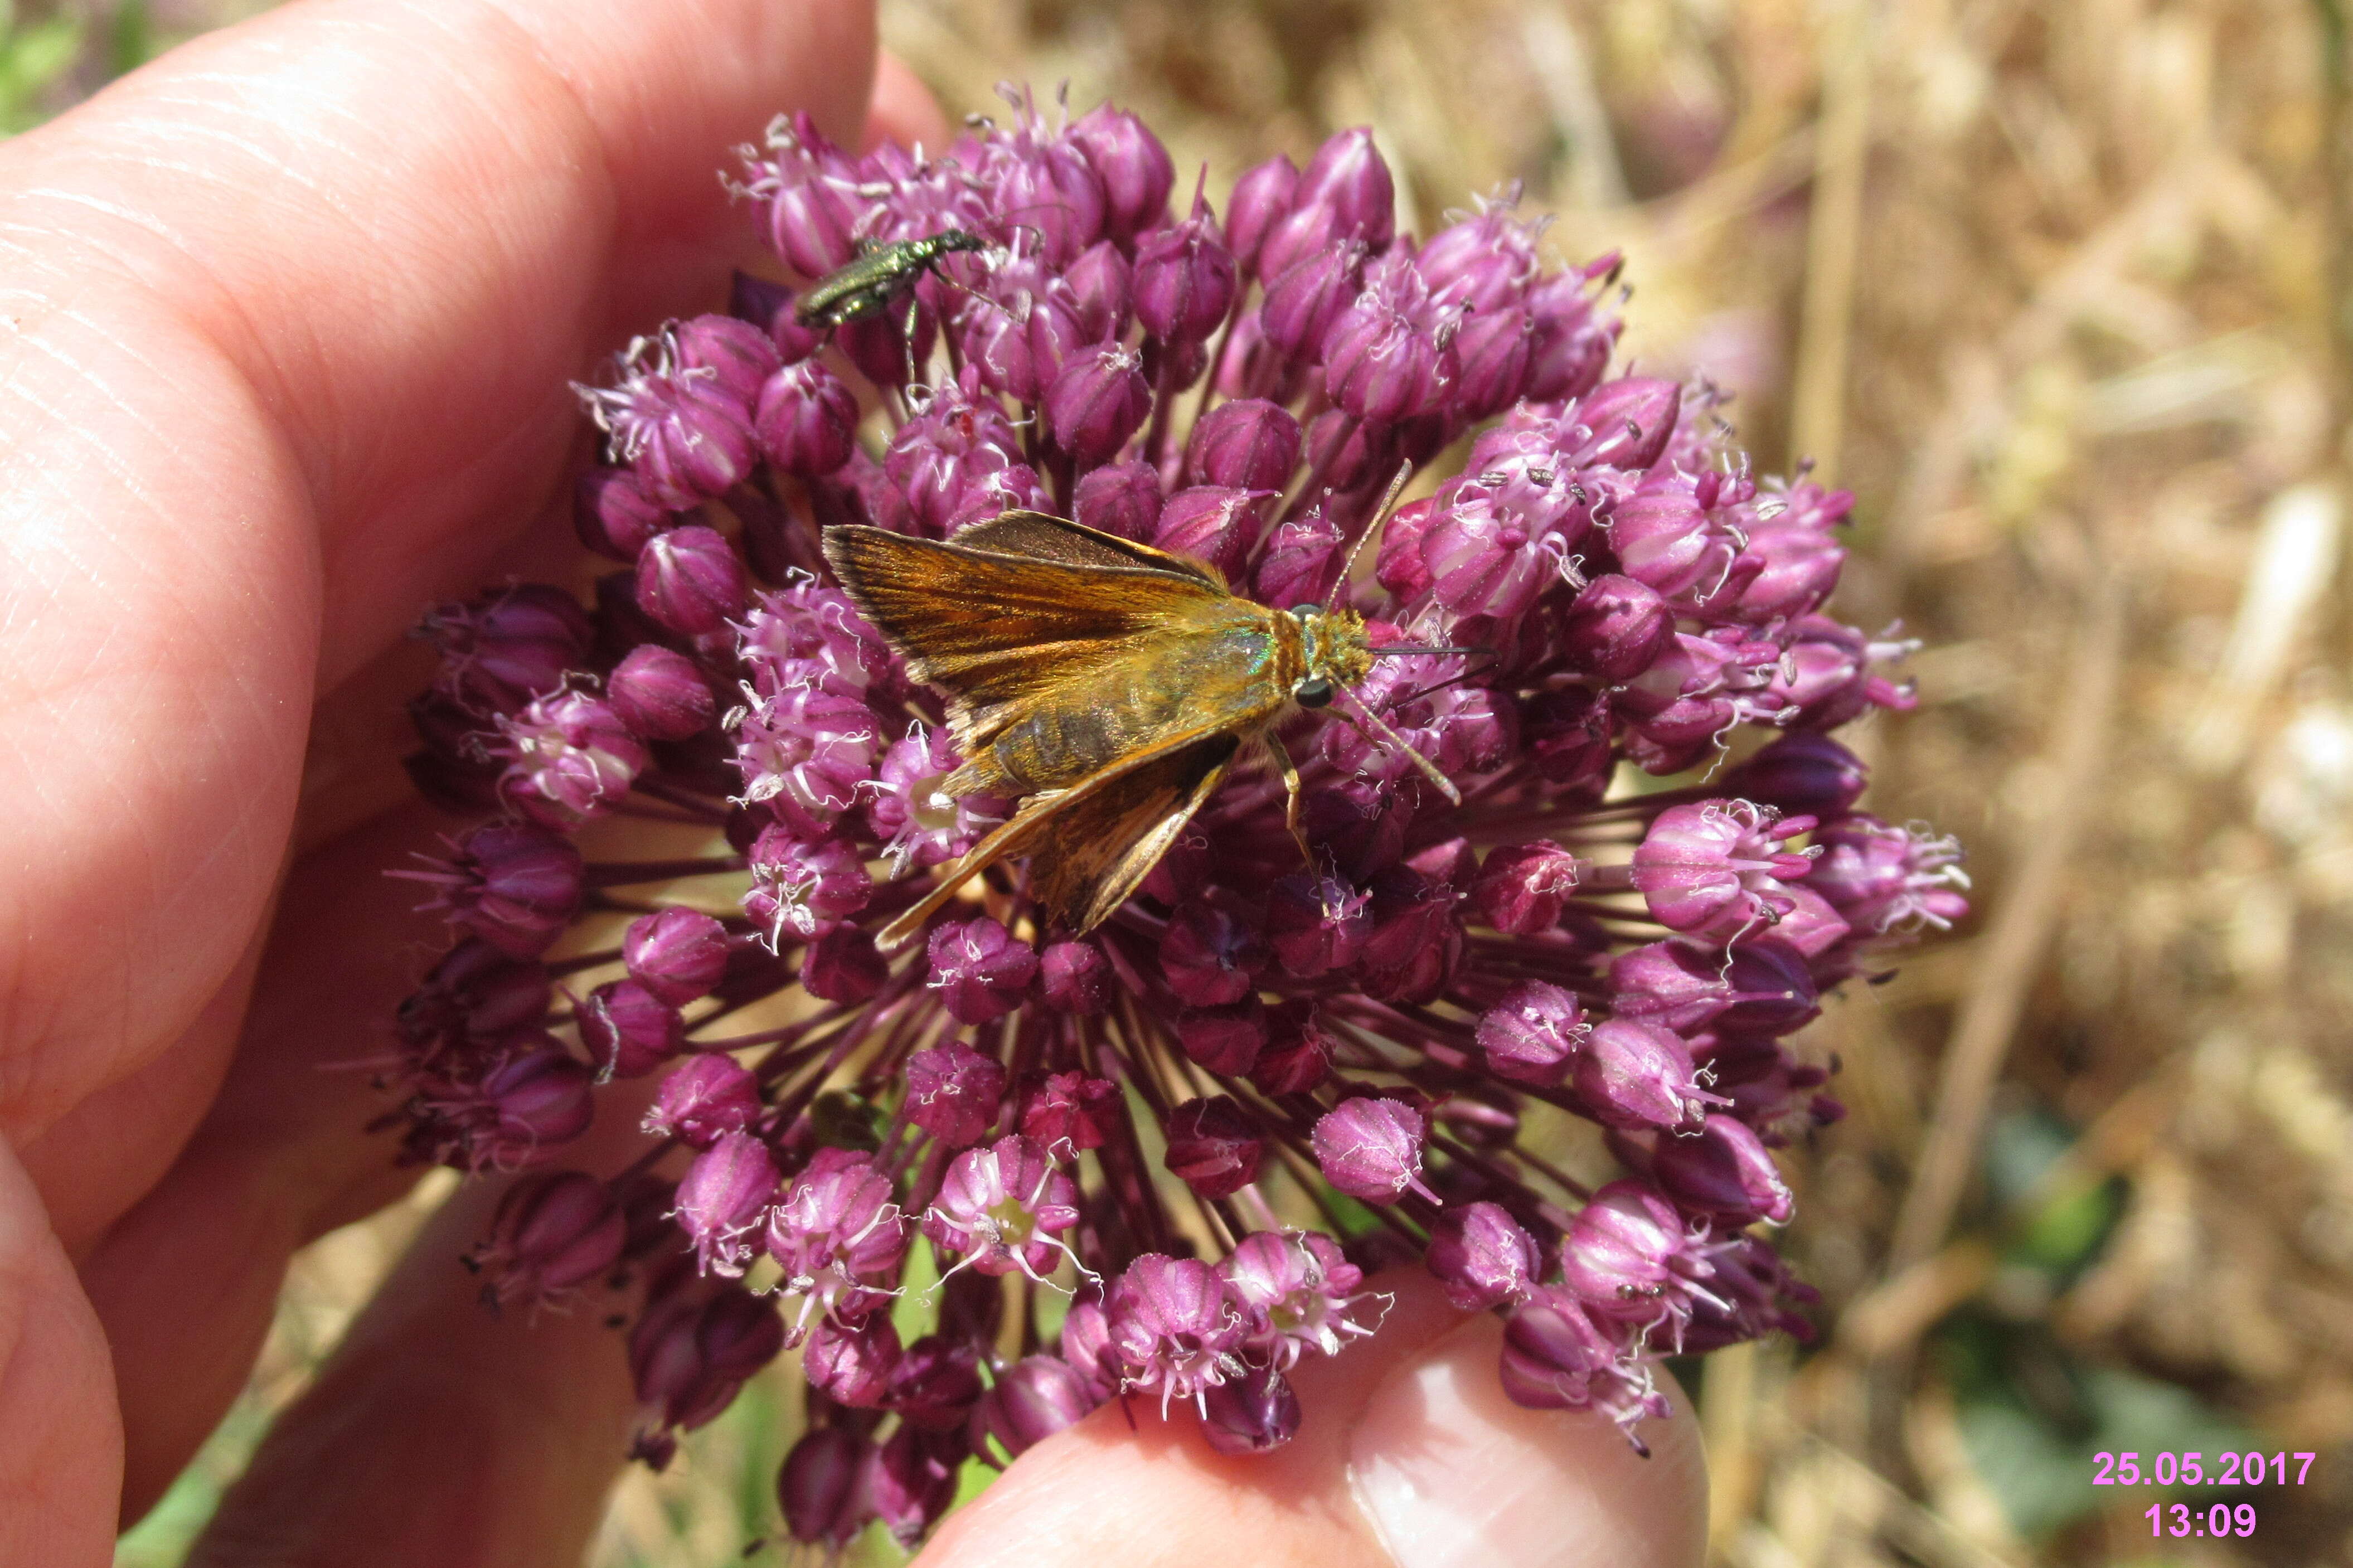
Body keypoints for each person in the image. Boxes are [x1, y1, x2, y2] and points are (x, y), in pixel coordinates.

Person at [0, 2, 1708, 1564]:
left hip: (1065, 695)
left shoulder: (1239, 606)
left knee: (1088, 753)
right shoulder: (1235, 598)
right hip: (1034, 747)